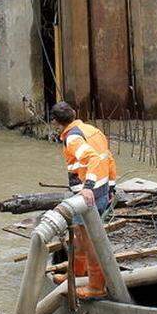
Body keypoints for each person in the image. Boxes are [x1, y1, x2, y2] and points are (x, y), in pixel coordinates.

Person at [51, 101, 118, 299]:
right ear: (74, 114)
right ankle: (77, 273)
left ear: (55, 122)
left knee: (89, 242)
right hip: (101, 190)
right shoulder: (91, 130)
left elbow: (94, 159)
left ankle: (96, 287)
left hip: (88, 195)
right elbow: (108, 159)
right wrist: (111, 185)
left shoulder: (72, 139)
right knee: (80, 235)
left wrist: (88, 188)